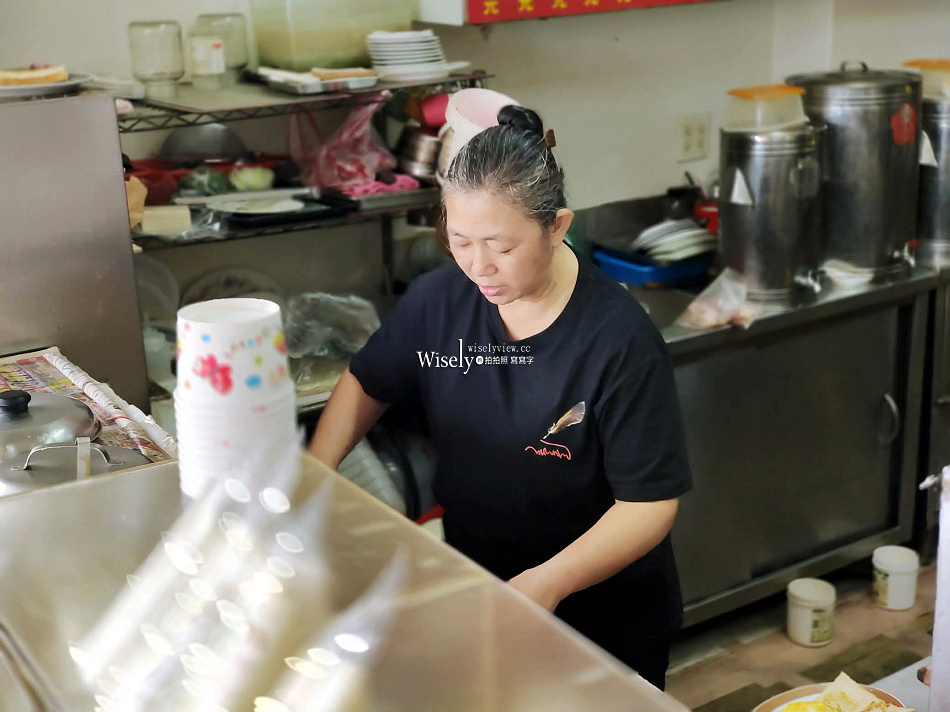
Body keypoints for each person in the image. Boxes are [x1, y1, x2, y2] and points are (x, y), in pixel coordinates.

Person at [309, 104, 692, 689]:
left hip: (601, 619)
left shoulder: (617, 341)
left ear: (557, 227)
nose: (478, 266)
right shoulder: (442, 300)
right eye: (459, 240)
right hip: (481, 586)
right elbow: (370, 379)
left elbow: (648, 506)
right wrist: (315, 474)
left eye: (501, 247)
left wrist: (548, 583)